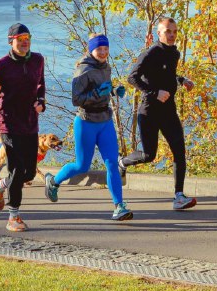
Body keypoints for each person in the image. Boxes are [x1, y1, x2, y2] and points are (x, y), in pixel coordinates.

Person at [44, 34, 133, 221]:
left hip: (105, 120)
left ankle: (119, 206)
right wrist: (95, 93)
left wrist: (114, 90)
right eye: (99, 49)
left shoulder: (106, 66)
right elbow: (76, 99)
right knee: (82, 165)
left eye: (106, 49)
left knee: (112, 164)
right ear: (91, 50)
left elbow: (105, 87)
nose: (103, 52)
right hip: (86, 122)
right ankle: (53, 181)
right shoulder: (83, 71)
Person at [119, 17, 197, 210]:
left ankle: (179, 196)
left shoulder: (174, 53)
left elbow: (166, 74)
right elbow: (132, 77)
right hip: (150, 111)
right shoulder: (151, 52)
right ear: (159, 33)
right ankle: (122, 162)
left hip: (169, 110)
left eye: (174, 31)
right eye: (167, 31)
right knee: (148, 155)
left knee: (179, 151)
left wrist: (181, 80)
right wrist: (154, 92)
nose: (171, 35)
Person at [0, 23, 45, 232]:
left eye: (27, 37)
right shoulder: (1, 65)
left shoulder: (38, 60)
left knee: (28, 174)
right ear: (11, 41)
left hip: (30, 122)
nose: (25, 41)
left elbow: (40, 86)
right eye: (20, 38)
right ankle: (13, 217)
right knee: (16, 170)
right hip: (8, 122)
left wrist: (41, 102)